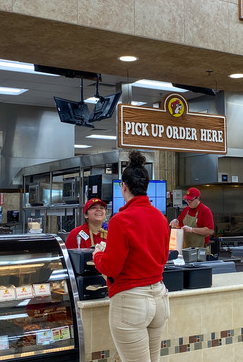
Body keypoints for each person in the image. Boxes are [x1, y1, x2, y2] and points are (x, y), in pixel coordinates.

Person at [93, 151, 170, 362]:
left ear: (123, 187)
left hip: (131, 302)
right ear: (145, 187)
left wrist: (98, 255)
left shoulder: (121, 220)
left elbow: (111, 267)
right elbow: (163, 258)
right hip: (159, 299)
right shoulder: (160, 218)